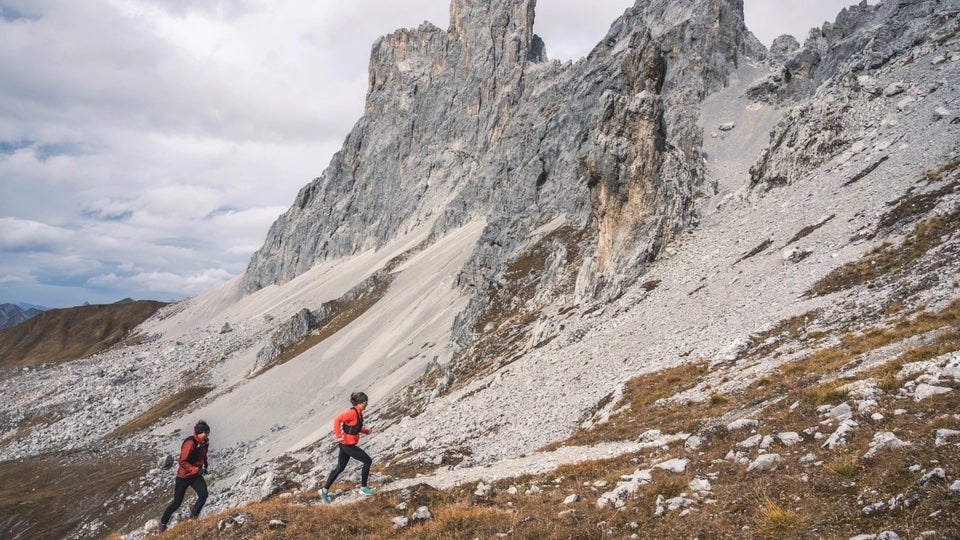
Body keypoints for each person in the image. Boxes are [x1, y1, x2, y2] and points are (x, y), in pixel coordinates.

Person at [320, 392, 374, 502]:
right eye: (365, 402)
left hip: (346, 445)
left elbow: (355, 426)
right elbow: (337, 420)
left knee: (340, 468)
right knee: (367, 461)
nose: (367, 404)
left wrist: (365, 431)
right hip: (347, 445)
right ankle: (363, 488)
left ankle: (324, 491)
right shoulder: (352, 413)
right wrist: (338, 436)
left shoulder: (359, 413)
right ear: (360, 403)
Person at [158, 420, 211, 532]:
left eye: (208, 433)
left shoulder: (204, 443)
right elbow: (182, 461)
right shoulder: (190, 443)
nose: (207, 435)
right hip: (183, 477)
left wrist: (205, 466)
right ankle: (163, 523)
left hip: (195, 476)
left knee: (203, 495)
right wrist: (196, 470)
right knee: (177, 503)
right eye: (206, 433)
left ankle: (193, 519)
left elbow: (203, 455)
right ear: (199, 432)